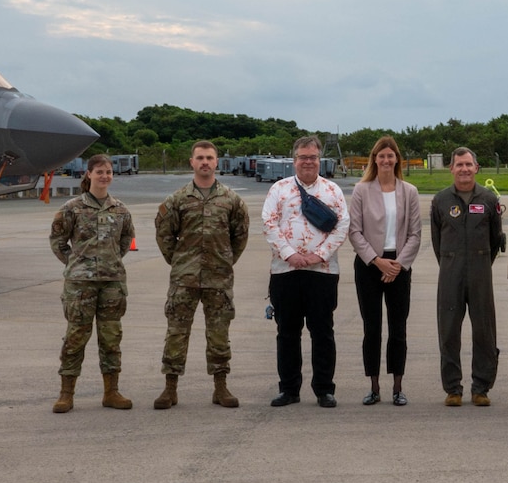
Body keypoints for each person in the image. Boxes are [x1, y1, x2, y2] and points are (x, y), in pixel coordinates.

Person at [153, 139, 250, 410]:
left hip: (218, 279)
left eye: (209, 157)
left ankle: (220, 388)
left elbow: (240, 236)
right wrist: (179, 262)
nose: (205, 162)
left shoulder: (232, 200)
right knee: (176, 333)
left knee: (219, 334)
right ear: (192, 163)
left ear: (217, 162)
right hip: (184, 279)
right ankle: (170, 389)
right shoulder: (177, 200)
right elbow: (164, 234)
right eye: (200, 158)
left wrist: (225, 261)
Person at [261, 134, 349, 407]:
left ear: (319, 160)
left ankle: (324, 389)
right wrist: (290, 255)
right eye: (303, 157)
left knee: (322, 331)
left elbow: (342, 226)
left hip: (322, 272)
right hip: (285, 271)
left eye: (313, 157)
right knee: (287, 331)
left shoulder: (333, 191)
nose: (308, 162)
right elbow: (269, 222)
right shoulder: (279, 189)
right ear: (294, 160)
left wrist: (317, 255)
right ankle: (289, 389)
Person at [49, 152, 135, 412]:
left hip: (112, 283)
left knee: (111, 338)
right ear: (89, 174)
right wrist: (77, 264)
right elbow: (57, 241)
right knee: (76, 336)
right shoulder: (72, 208)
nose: (104, 176)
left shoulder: (120, 209)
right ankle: (66, 393)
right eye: (99, 172)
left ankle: (112, 391)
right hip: (80, 285)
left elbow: (125, 242)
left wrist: (107, 262)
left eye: (108, 172)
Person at [347, 134, 422, 406]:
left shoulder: (409, 191)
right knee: (372, 327)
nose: (387, 160)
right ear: (375, 160)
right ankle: (374, 386)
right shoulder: (361, 190)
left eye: (391, 156)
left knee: (398, 327)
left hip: (399, 264)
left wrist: (398, 264)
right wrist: (376, 260)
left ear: (397, 160)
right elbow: (354, 231)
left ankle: (398, 387)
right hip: (370, 265)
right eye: (382, 156)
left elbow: (415, 233)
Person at [431, 146, 506, 406]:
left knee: (484, 330)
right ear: (451, 168)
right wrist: (451, 263)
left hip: (480, 271)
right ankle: (453, 388)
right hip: (450, 272)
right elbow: (436, 240)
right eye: (459, 165)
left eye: (468, 164)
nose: (464, 169)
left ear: (476, 168)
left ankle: (481, 388)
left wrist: (481, 260)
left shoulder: (488, 200)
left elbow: (497, 239)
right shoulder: (440, 200)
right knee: (449, 330)